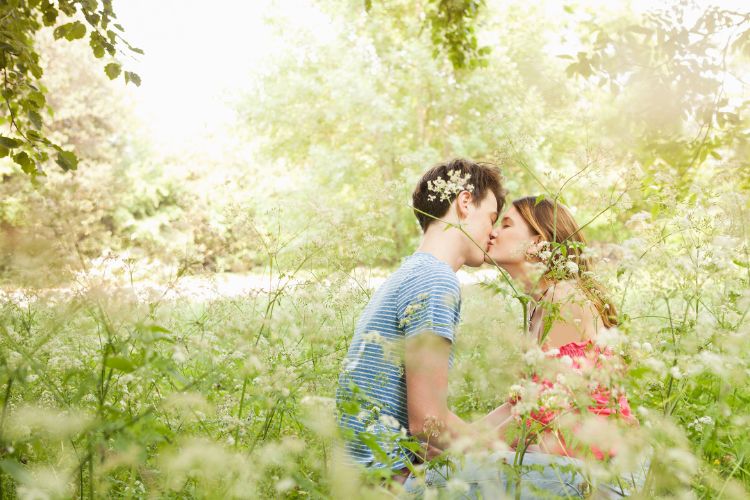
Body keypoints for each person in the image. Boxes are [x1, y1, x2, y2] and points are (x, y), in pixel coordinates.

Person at [335, 159, 510, 482]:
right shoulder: (435, 280)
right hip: (393, 481)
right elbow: (429, 425)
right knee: (571, 478)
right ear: (465, 202)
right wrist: (505, 455)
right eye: (491, 218)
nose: (493, 232)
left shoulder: (411, 272)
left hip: (369, 475)